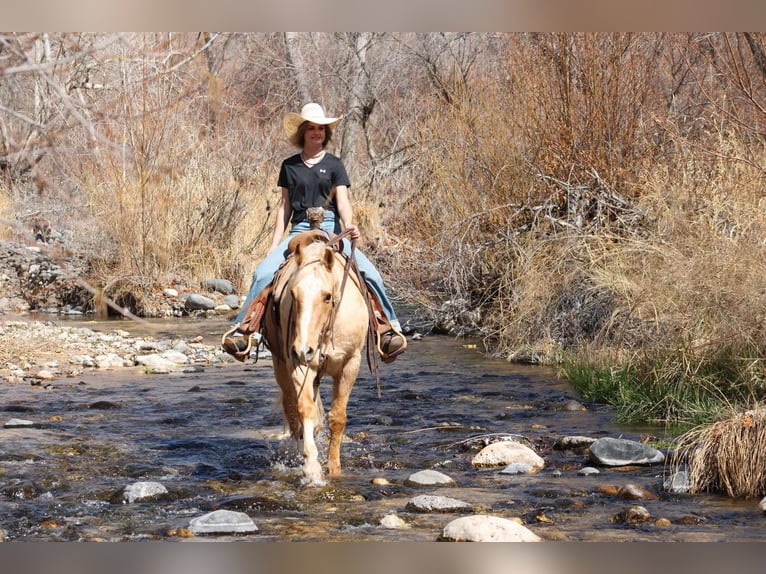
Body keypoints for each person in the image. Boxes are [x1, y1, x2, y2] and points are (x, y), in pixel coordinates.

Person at [222, 102, 406, 362]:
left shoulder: (335, 165)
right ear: (303, 132)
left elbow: (343, 200)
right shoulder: (289, 166)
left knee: (370, 274)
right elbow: (284, 206)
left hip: (331, 229)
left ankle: (388, 330)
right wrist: (274, 245)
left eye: (321, 128)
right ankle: (244, 330)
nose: (316, 132)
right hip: (298, 228)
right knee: (262, 273)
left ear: (325, 133)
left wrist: (350, 224)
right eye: (311, 128)